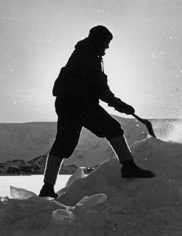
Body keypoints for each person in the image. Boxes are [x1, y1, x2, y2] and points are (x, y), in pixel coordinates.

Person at [39, 26, 155, 198]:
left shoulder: (85, 52)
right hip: (78, 103)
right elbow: (99, 87)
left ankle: (47, 187)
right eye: (106, 43)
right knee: (113, 129)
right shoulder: (88, 56)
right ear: (98, 40)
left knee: (64, 144)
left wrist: (117, 103)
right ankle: (128, 167)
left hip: (68, 103)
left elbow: (98, 86)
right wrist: (119, 104)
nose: (107, 47)